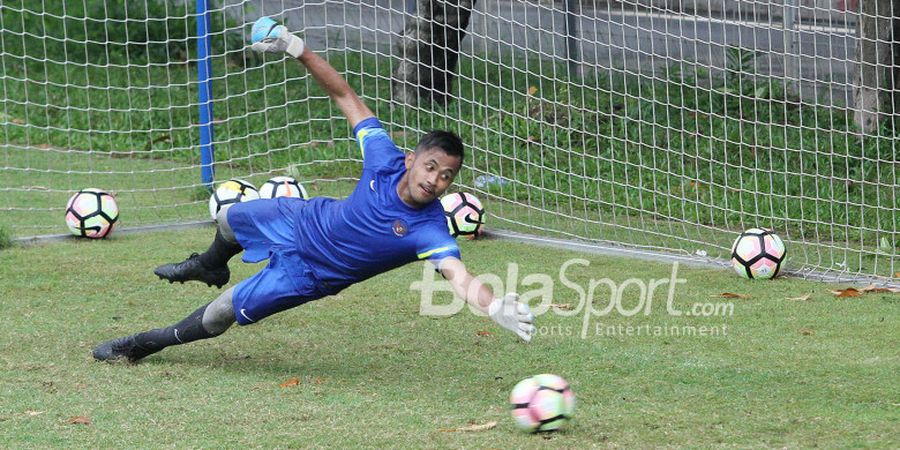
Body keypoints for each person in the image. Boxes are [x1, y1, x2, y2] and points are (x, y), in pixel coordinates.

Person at [92, 17, 536, 363]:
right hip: (304, 218)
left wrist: (493, 305)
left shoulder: (430, 230)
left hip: (310, 275)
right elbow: (346, 96)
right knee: (229, 217)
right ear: (411, 160)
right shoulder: (383, 156)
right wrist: (295, 47)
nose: (435, 180)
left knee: (220, 314)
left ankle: (141, 345)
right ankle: (210, 265)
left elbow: (459, 276)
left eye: (446, 176)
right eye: (431, 167)